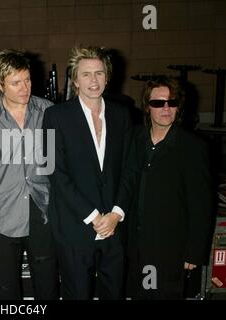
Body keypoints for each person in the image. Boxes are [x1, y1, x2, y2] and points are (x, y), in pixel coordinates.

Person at [0, 49, 60, 300]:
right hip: (1, 214)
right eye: (15, 82)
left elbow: (59, 166)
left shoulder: (48, 111)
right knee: (5, 288)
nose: (24, 88)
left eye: (27, 80)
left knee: (47, 284)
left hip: (43, 210)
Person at [42, 45, 133, 300]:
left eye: (99, 73)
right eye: (86, 74)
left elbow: (129, 169)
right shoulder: (54, 116)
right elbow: (54, 172)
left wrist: (116, 214)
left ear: (107, 76)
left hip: (114, 228)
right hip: (75, 228)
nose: (94, 80)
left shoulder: (123, 115)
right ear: (75, 80)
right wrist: (93, 217)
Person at [126, 76, 213, 299]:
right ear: (147, 107)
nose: (166, 108)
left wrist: (194, 252)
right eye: (158, 103)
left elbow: (201, 205)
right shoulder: (134, 139)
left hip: (168, 250)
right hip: (135, 247)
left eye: (172, 103)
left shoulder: (192, 148)